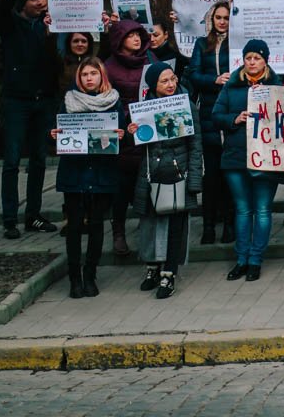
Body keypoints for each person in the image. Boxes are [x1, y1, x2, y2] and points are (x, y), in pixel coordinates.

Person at [128, 62, 202, 299]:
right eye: (164, 81)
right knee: (149, 222)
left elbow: (195, 145)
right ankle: (152, 267)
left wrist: (194, 180)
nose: (171, 84)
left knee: (176, 226)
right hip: (151, 173)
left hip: (179, 172)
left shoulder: (187, 106)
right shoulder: (143, 109)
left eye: (172, 79)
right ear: (153, 85)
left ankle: (169, 273)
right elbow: (139, 146)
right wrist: (132, 131)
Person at [51, 59, 124, 298]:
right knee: (73, 227)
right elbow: (56, 134)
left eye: (94, 73)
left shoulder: (113, 101)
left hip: (102, 172)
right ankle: (74, 278)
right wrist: (53, 135)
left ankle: (90, 275)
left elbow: (122, 133)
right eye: (85, 75)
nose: (89, 78)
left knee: (96, 225)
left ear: (102, 76)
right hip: (75, 172)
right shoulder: (68, 101)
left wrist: (122, 134)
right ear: (78, 78)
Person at [0, 0, 58, 239]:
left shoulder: (49, 26)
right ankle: (10, 218)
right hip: (16, 102)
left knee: (39, 160)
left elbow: (79, 14)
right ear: (23, 3)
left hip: (43, 100)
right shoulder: (11, 25)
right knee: (11, 161)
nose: (41, 1)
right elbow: (1, 11)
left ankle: (33, 215)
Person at [213, 40, 283, 282]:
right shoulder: (231, 85)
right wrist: (235, 118)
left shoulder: (276, 84)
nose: (252, 62)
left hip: (266, 159)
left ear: (266, 60)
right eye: (248, 58)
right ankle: (241, 259)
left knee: (262, 210)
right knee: (243, 210)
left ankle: (255, 260)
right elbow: (216, 115)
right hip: (235, 157)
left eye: (257, 58)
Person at [102, 18, 155, 256]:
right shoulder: (109, 67)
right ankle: (119, 233)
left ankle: (148, 235)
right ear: (119, 39)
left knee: (146, 187)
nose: (137, 39)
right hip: (123, 135)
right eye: (131, 35)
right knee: (121, 189)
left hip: (148, 133)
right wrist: (126, 120)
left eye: (138, 35)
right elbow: (105, 101)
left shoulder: (151, 60)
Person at [187, 1, 234, 246]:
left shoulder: (237, 44)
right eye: (218, 17)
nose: (222, 21)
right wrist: (214, 79)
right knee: (211, 176)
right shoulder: (201, 44)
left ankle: (229, 224)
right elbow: (193, 74)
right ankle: (208, 227)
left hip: (231, 114)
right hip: (208, 115)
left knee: (230, 175)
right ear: (212, 19)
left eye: (226, 17)